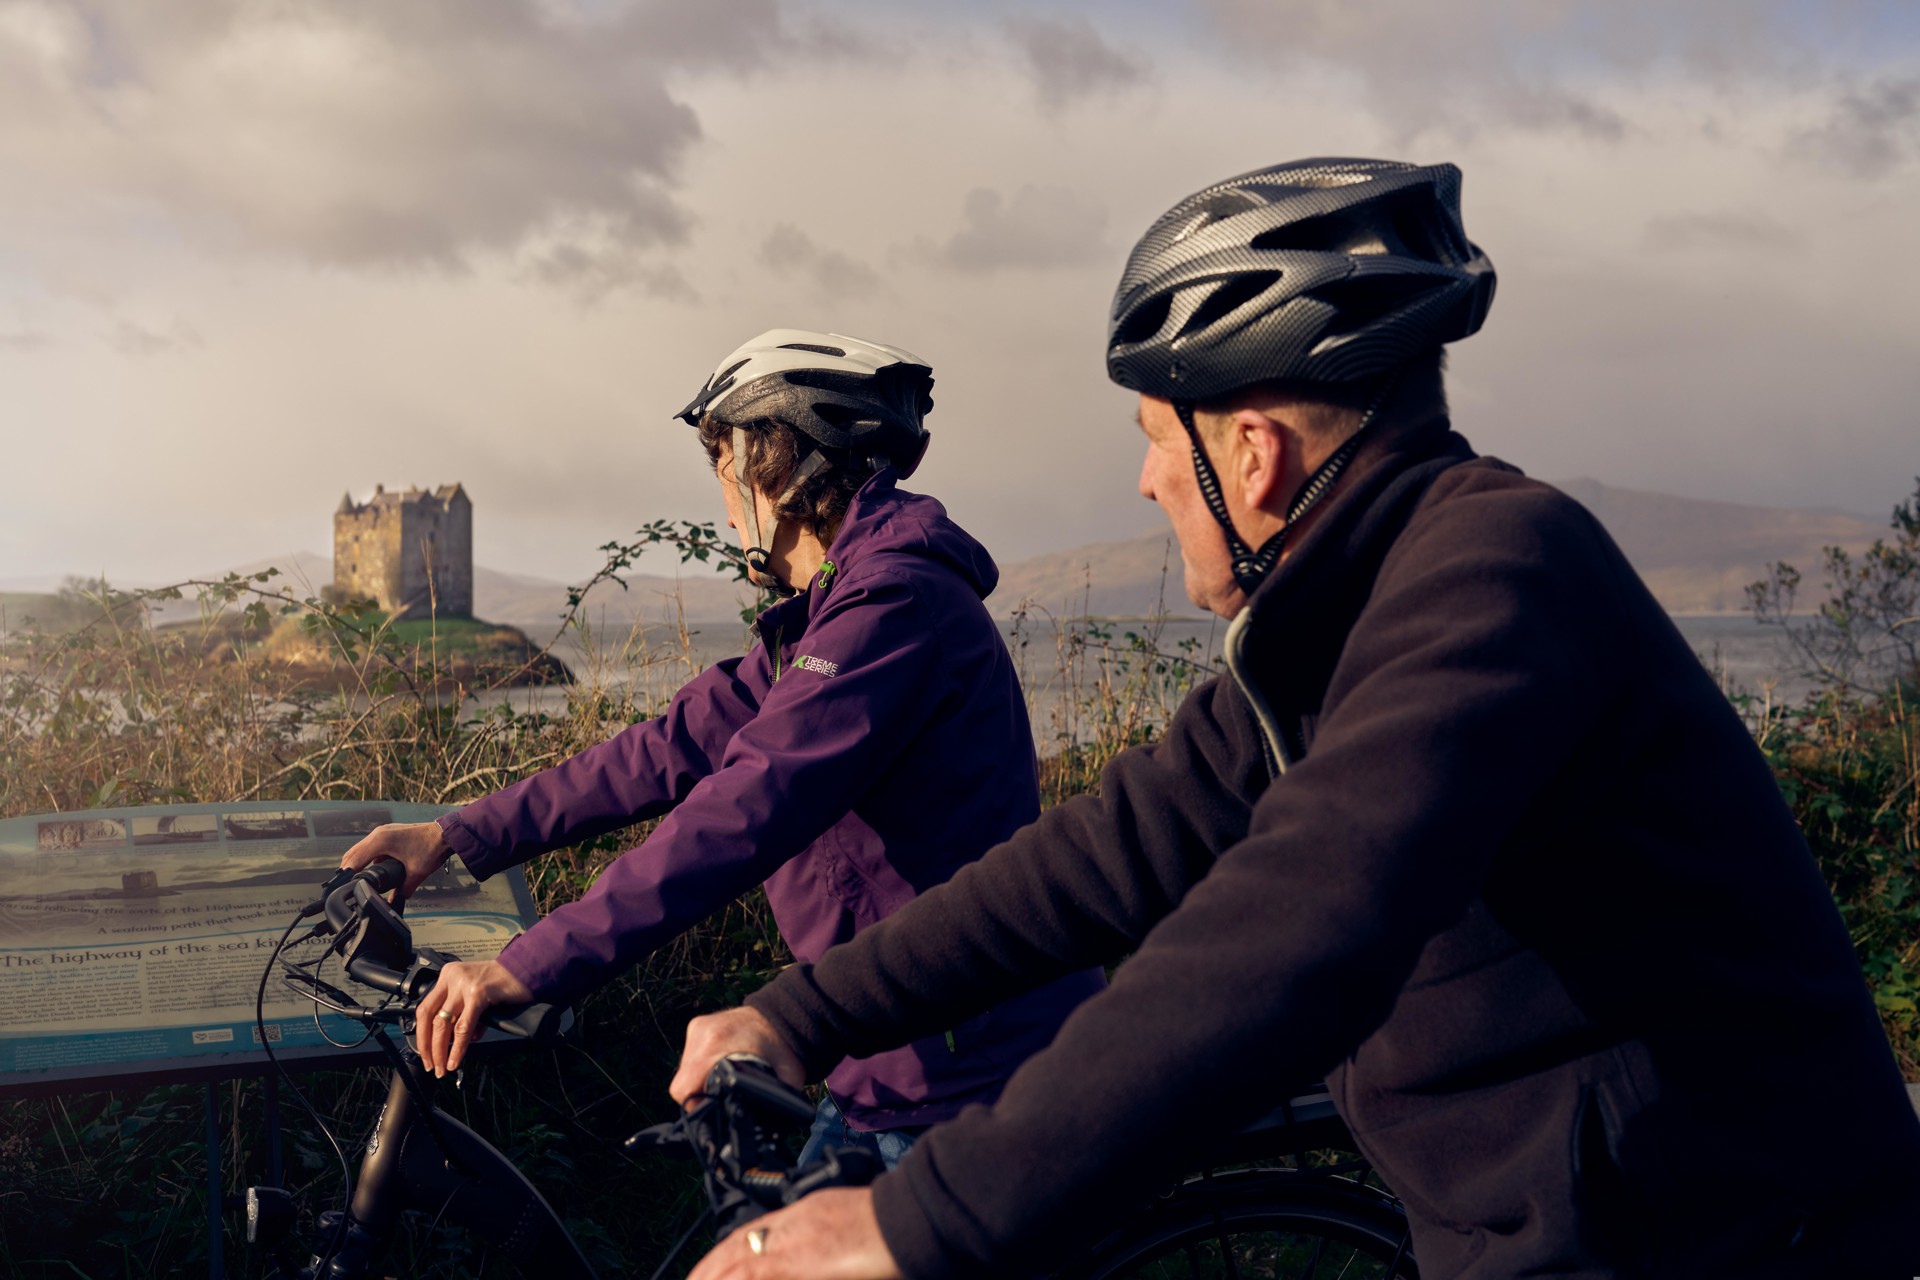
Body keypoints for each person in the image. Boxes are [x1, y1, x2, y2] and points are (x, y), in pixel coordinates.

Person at [671, 161, 1920, 1279]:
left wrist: (918, 1218)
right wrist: (805, 1010)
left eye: (1158, 439)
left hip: (1737, 1239)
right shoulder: (1337, 618)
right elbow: (1103, 853)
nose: (1147, 478)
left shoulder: (1495, 573)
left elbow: (1306, 919)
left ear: (1253, 454)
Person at [340, 328, 1102, 1165]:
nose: (728, 506)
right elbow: (660, 751)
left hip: (960, 1077)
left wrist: (529, 965)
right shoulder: (827, 619)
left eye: (728, 476)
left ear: (778, 471)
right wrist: (452, 835)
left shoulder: (892, 611)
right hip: (889, 1068)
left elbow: (746, 808)